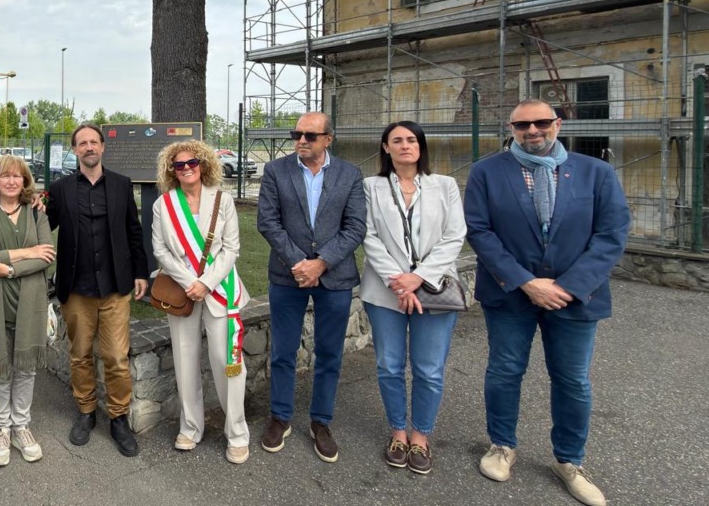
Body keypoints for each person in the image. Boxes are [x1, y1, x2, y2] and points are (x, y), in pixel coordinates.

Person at [466, 99, 629, 506]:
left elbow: (611, 234)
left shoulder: (596, 172)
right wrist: (525, 282)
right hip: (511, 293)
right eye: (523, 125)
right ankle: (502, 445)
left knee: (573, 380)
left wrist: (568, 285)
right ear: (512, 127)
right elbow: (480, 231)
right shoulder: (487, 171)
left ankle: (569, 461)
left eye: (541, 122)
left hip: (575, 298)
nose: (532, 130)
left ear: (557, 123)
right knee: (505, 370)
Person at [256, 111, 367, 462]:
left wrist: (322, 263)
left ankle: (321, 422)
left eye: (310, 135)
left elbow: (355, 227)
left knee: (329, 353)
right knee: (283, 351)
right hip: (288, 276)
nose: (301, 140)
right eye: (297, 134)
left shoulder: (350, 174)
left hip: (334, 278)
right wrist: (300, 264)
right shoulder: (276, 170)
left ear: (328, 139)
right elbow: (268, 222)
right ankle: (281, 416)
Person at [360, 121, 466, 475]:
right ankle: (398, 432)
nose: (406, 146)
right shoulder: (371, 187)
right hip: (385, 292)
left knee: (429, 369)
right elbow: (369, 236)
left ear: (421, 146)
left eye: (412, 140)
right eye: (397, 140)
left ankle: (421, 436)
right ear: (386, 148)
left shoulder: (445, 186)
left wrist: (416, 279)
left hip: (433, 291)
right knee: (389, 366)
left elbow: (454, 237)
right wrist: (399, 282)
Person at [45, 123, 148, 457]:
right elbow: (44, 227)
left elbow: (134, 231)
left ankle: (118, 417)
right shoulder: (60, 189)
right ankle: (86, 411)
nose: (88, 147)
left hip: (116, 287)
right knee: (80, 354)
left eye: (93, 141)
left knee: (116, 357)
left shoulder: (121, 185)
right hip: (76, 288)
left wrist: (141, 272)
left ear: (103, 147)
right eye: (82, 143)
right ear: (75, 150)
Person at [151, 140, 250, 464]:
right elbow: (161, 250)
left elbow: (231, 249)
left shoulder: (222, 200)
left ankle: (236, 433)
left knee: (227, 362)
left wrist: (206, 283)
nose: (187, 168)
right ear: (172, 171)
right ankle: (191, 427)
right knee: (185, 360)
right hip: (182, 292)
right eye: (179, 165)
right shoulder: (163, 205)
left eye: (192, 162)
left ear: (203, 164)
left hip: (219, 290)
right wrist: (189, 282)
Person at [0, 155, 55, 468]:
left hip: (29, 303)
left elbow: (47, 257)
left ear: (25, 181)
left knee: (27, 368)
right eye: (4, 176)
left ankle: (21, 426)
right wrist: (25, 253)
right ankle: (1, 429)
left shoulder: (36, 215)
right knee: (0, 368)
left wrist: (8, 269)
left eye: (17, 176)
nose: (11, 181)